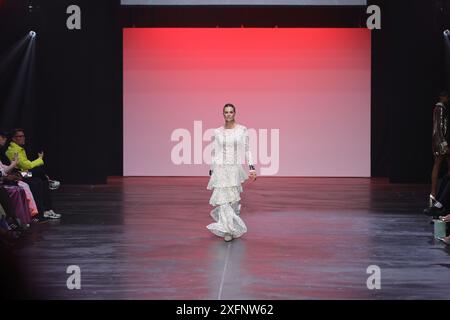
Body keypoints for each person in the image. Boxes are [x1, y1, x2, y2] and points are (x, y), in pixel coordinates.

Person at [206, 103, 257, 242]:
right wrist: (212, 169)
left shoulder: (242, 130)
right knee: (223, 200)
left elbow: (247, 150)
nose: (228, 114)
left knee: (232, 200)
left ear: (235, 113)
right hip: (220, 168)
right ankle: (227, 230)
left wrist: (251, 168)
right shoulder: (217, 132)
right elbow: (215, 151)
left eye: (231, 112)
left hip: (234, 168)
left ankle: (231, 225)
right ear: (223, 114)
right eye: (226, 112)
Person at [5, 128, 61, 219]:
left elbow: (26, 166)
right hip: (20, 175)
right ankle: (48, 180)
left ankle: (47, 209)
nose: (23, 138)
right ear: (13, 139)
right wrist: (40, 159)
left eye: (23, 136)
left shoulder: (19, 149)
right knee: (38, 171)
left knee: (40, 179)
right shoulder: (13, 150)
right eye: (20, 136)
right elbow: (27, 165)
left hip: (24, 173)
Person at [429, 91, 450, 207]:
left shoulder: (440, 108)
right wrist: (444, 143)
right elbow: (439, 127)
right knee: (438, 165)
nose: (448, 99)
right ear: (442, 97)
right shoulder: (440, 108)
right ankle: (433, 194)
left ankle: (435, 195)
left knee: (438, 165)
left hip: (440, 142)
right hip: (441, 142)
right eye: (446, 97)